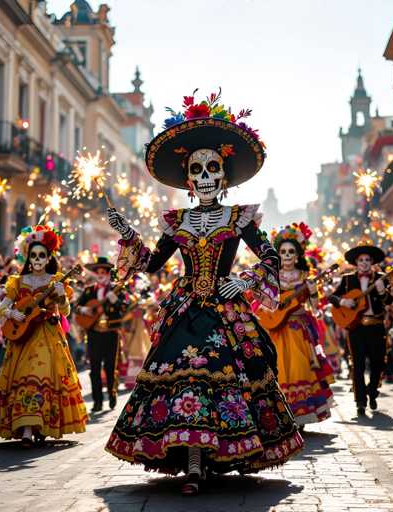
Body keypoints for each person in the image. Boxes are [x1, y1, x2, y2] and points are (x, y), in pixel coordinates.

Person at [104, 91, 303, 495]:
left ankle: (218, 455)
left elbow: (269, 257)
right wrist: (127, 234)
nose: (207, 175)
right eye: (199, 169)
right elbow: (151, 265)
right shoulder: (176, 222)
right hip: (186, 310)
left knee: (233, 378)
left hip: (226, 311)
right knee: (186, 382)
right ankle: (193, 463)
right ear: (190, 180)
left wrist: (245, 281)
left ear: (223, 176)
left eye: (214, 167)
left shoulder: (238, 217)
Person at [0, 225, 87, 446]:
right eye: (33, 255)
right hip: (23, 339)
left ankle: (38, 426)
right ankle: (27, 429)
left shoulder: (57, 280)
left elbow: (66, 311)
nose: (37, 259)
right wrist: (13, 313)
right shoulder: (18, 281)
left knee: (44, 378)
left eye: (42, 255)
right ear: (28, 257)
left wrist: (62, 296)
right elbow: (3, 307)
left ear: (49, 257)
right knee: (24, 378)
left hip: (48, 335)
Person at [257, 224, 334, 427]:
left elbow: (315, 308)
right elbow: (261, 302)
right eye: (283, 251)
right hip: (275, 330)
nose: (287, 255)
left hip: (299, 329)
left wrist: (314, 292)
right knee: (278, 369)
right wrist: (272, 307)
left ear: (298, 254)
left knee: (300, 368)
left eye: (291, 251)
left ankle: (299, 416)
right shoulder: (271, 277)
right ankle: (280, 414)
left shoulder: (304, 277)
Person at [329, 244, 390, 416]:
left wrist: (382, 291)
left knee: (378, 363)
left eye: (367, 260)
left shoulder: (381, 277)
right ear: (356, 262)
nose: (364, 263)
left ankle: (372, 391)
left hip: (376, 326)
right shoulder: (348, 279)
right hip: (356, 328)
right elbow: (331, 296)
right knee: (358, 365)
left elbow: (389, 300)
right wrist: (342, 302)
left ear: (372, 262)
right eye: (361, 260)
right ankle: (360, 401)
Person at [77, 256, 128, 412]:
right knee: (94, 368)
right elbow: (77, 307)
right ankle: (97, 401)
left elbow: (125, 308)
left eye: (103, 272)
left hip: (111, 333)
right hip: (93, 334)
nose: (100, 274)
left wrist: (116, 301)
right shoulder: (88, 291)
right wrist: (85, 309)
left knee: (110, 367)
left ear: (108, 274)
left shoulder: (117, 289)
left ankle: (112, 395)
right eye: (98, 272)